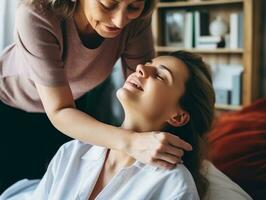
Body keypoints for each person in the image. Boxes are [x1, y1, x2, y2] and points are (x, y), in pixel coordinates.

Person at [0, 0, 193, 192]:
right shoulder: (37, 14)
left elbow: (145, 93)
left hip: (72, 105)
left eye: (133, 7)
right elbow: (60, 110)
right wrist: (132, 142)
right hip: (10, 106)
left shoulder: (136, 21)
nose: (119, 21)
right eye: (108, 5)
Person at [0, 51, 216, 200]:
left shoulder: (174, 187)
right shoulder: (73, 152)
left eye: (160, 75)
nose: (141, 68)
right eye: (148, 63)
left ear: (178, 117)